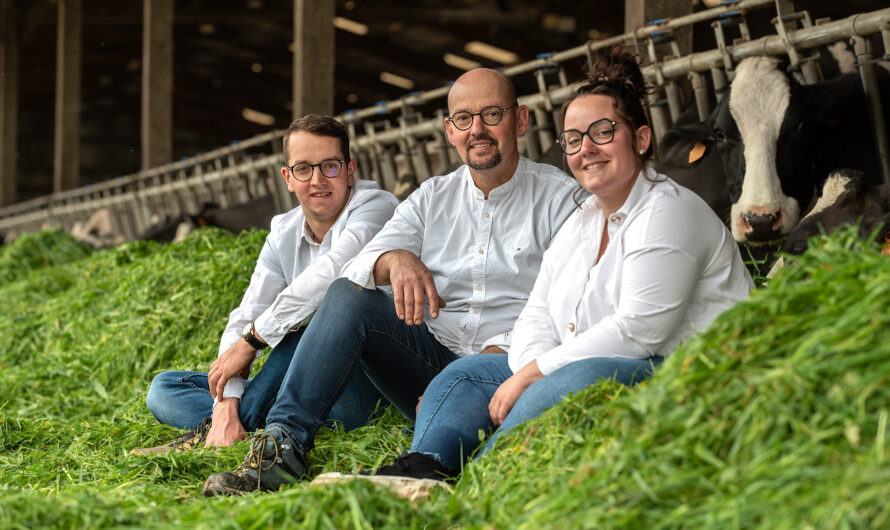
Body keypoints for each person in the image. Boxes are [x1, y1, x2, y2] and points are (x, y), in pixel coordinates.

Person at [353, 45, 754, 481]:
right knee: (464, 375)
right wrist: (529, 365)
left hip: (683, 368)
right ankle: (424, 468)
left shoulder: (668, 210)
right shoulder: (583, 218)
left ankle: (480, 484)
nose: (587, 150)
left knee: (574, 378)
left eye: (603, 132)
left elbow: (639, 330)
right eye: (575, 139)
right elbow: (537, 312)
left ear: (641, 138)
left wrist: (534, 375)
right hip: (593, 360)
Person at [201, 67, 580, 496]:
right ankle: (279, 450)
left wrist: (497, 351)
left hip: (506, 366)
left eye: (492, 114)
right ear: (449, 130)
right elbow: (357, 267)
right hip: (427, 357)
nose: (477, 129)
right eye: (463, 119)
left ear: (521, 120)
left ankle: (243, 416)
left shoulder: (562, 201)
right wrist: (393, 258)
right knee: (348, 295)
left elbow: (565, 306)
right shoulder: (430, 197)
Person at [131, 114, 399, 454]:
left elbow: (335, 273)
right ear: (288, 178)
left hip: (362, 385)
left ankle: (212, 435)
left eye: (330, 166)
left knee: (315, 315)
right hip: (300, 390)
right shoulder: (282, 233)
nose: (318, 180)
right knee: (164, 389)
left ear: (349, 170)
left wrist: (253, 341)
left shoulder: (376, 208)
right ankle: (237, 424)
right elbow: (247, 313)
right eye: (304, 169)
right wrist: (226, 402)